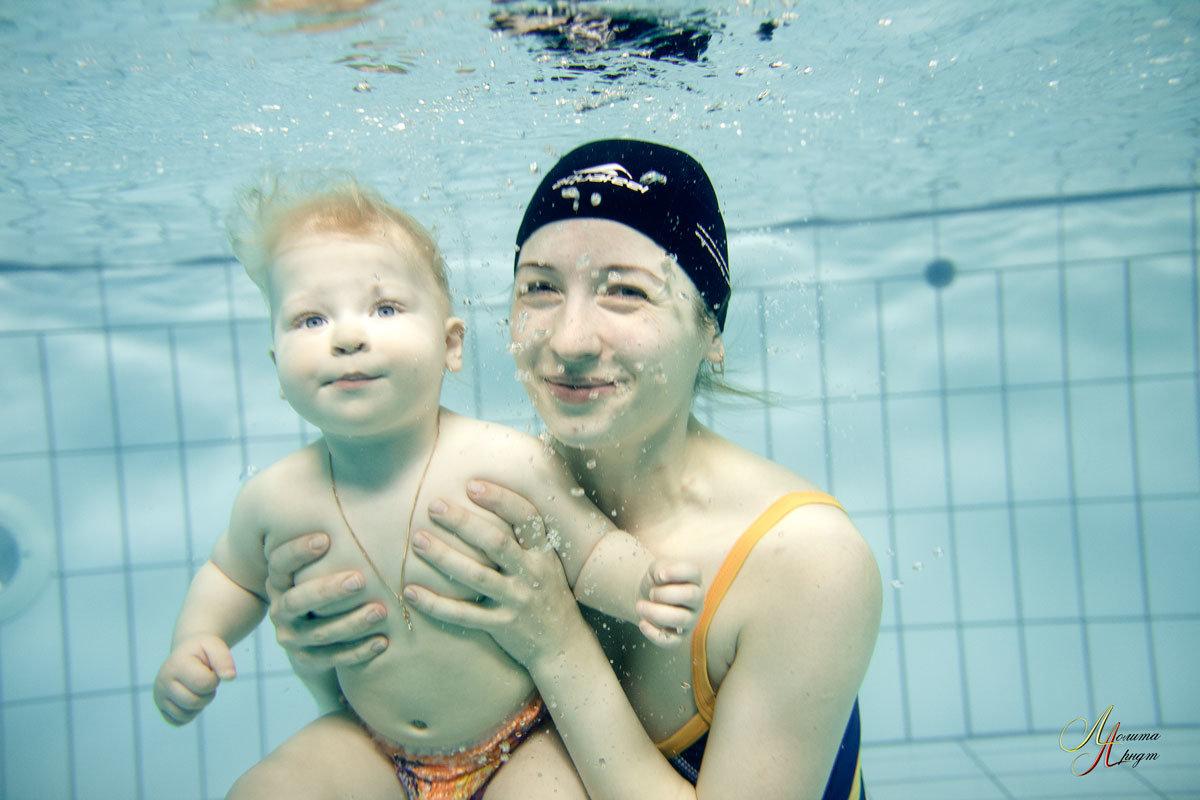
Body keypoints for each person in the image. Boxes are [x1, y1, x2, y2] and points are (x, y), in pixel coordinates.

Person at [267, 141, 883, 799]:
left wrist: (557, 647)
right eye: (539, 288)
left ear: (711, 329)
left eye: (625, 292)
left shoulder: (805, 561)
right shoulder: (494, 494)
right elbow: (420, 752)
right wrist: (320, 657)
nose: (569, 341)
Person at [150, 172, 703, 800]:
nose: (347, 335)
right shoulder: (274, 498)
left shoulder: (504, 460)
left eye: (384, 309)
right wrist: (194, 641)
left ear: (451, 345)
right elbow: (231, 576)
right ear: (278, 370)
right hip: (373, 743)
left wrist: (643, 586)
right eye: (309, 319)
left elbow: (589, 548)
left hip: (521, 736)